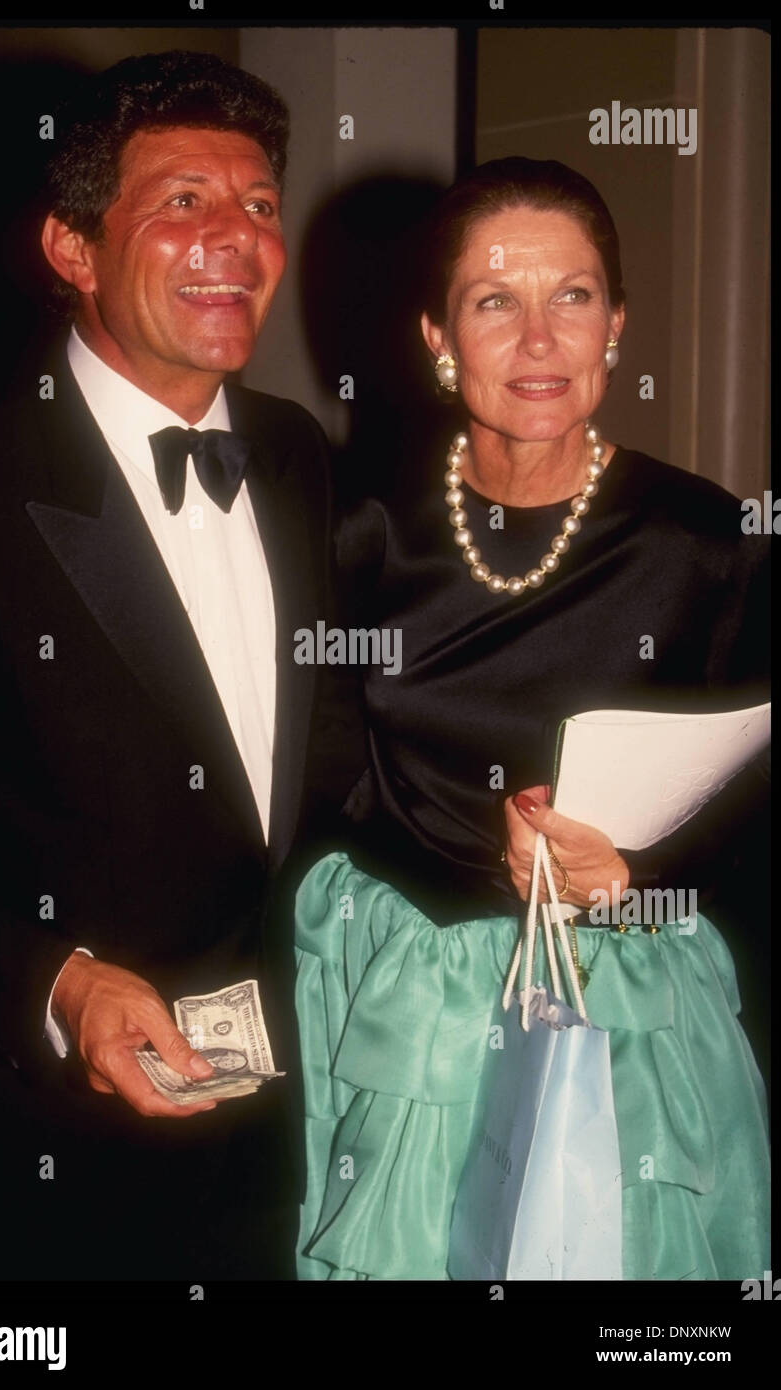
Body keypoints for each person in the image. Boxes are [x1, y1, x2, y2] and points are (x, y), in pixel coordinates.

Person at [294, 157, 770, 1281]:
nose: (539, 340)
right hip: (411, 1007)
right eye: (494, 301)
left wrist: (639, 876)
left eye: (572, 296)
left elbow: (752, 809)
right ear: (436, 336)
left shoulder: (709, 540)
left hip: (632, 1005)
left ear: (616, 323)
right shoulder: (357, 532)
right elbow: (318, 787)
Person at [0, 49, 339, 1281]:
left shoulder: (298, 453)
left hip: (293, 1131)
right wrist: (57, 980)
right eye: (181, 203)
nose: (235, 238)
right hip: (46, 1169)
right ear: (72, 248)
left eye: (259, 204)